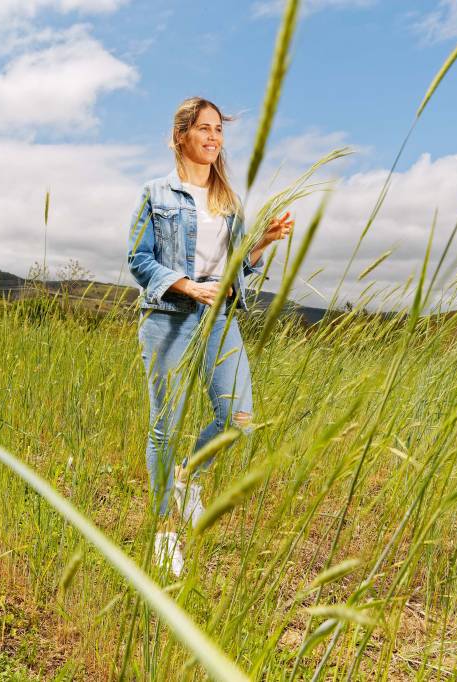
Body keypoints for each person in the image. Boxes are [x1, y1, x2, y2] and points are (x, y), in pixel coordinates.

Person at [126, 96, 293, 576]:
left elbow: (237, 268)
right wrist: (186, 286)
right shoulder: (156, 193)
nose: (214, 137)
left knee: (238, 418)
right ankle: (164, 531)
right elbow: (139, 259)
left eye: (219, 129)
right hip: (169, 315)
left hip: (220, 317)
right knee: (165, 425)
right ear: (181, 136)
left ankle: (187, 477)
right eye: (204, 128)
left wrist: (262, 242)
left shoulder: (228, 202)